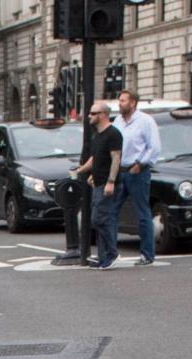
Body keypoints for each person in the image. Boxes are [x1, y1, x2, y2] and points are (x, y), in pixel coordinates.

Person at [111, 90, 162, 266]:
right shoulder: (118, 121)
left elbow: (154, 147)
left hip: (138, 171)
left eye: (123, 100)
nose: (120, 103)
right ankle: (110, 252)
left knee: (142, 213)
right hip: (120, 170)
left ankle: (147, 254)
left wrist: (139, 164)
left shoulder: (145, 121)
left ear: (133, 103)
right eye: (119, 100)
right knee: (112, 211)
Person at [72, 101, 123, 270]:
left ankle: (113, 253)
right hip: (98, 182)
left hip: (108, 184)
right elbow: (96, 159)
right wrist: (83, 170)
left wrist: (111, 182)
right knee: (101, 220)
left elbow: (116, 158)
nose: (89, 116)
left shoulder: (113, 134)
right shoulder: (97, 136)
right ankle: (104, 257)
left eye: (93, 114)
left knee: (100, 219)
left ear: (103, 115)